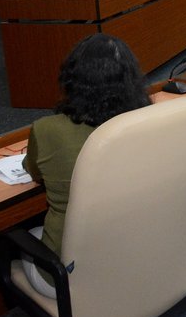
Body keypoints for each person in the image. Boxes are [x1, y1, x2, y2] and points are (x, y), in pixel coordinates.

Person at [21, 34, 151, 297]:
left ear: (72, 80)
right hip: (137, 253)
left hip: (68, 274)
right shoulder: (149, 122)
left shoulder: (46, 131)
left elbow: (32, 170)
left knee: (22, 238)